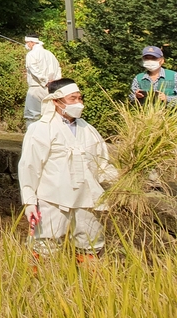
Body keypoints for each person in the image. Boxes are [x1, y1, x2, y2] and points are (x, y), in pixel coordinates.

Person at [18, 79, 117, 257]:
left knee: (90, 243)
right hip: (52, 198)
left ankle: (87, 273)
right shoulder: (41, 129)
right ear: (56, 101)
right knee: (46, 244)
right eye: (73, 98)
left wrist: (120, 180)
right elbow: (30, 167)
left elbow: (101, 163)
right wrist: (30, 201)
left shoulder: (89, 130)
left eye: (80, 98)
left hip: (86, 197)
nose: (78, 103)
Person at [24, 35, 62, 129]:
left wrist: (45, 81)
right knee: (50, 114)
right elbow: (58, 69)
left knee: (32, 115)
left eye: (27, 42)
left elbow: (34, 70)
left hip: (36, 87)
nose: (26, 45)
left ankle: (32, 136)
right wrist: (55, 82)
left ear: (32, 42)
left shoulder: (31, 54)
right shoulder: (50, 54)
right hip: (51, 88)